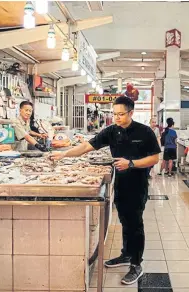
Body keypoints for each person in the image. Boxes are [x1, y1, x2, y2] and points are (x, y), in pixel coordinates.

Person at [50, 96, 160, 285]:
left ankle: (136, 264)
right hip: (120, 183)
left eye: (121, 114)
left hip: (137, 184)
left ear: (131, 113)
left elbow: (155, 158)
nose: (117, 118)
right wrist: (64, 154)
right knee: (125, 220)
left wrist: (131, 163)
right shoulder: (111, 131)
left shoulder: (145, 132)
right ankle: (126, 255)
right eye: (114, 114)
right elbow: (87, 146)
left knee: (135, 224)